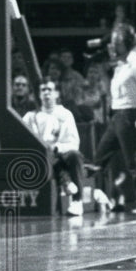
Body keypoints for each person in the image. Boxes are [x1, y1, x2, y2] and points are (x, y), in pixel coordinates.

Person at [92, 23, 136, 214]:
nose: (112, 44)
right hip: (117, 115)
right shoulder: (120, 64)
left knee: (135, 163)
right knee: (99, 158)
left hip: (129, 115)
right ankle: (91, 197)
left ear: (125, 43)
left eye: (115, 41)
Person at [23, 77, 86, 216]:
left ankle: (77, 201)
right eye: (43, 90)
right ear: (39, 94)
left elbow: (73, 143)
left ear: (56, 93)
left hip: (61, 153)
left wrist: (57, 148)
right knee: (44, 153)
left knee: (75, 155)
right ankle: (66, 181)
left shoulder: (65, 114)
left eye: (49, 90)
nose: (46, 93)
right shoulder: (31, 116)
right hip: (41, 156)